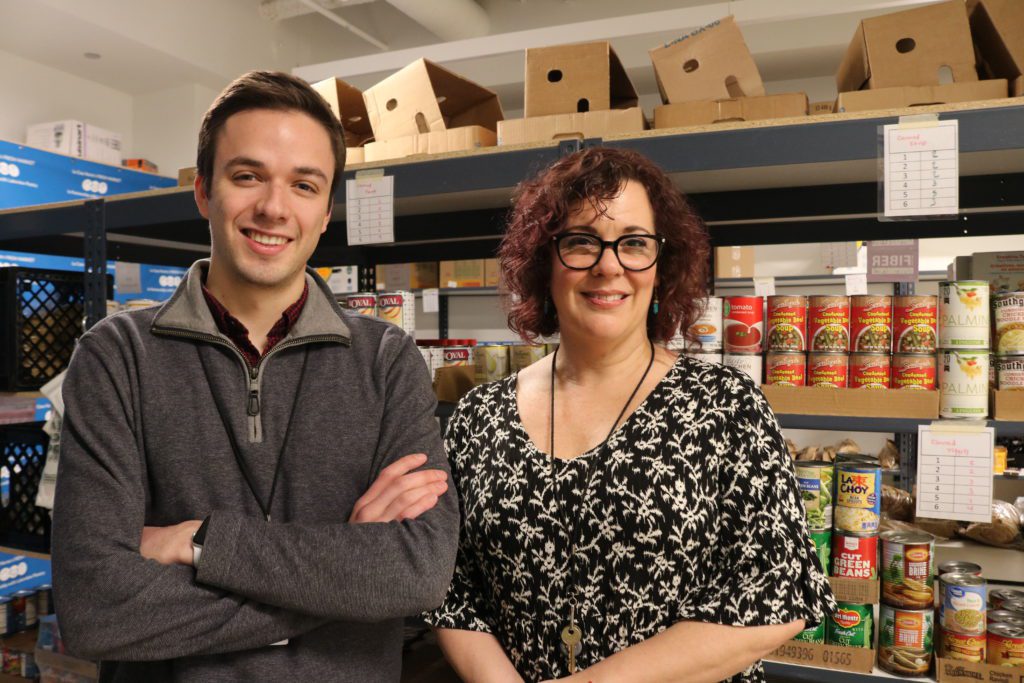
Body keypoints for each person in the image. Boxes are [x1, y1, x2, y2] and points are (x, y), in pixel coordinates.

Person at [51, 71, 459, 682]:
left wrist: (200, 543)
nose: (273, 207)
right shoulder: (117, 357)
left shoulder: (386, 359)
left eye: (303, 184)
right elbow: (95, 610)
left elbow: (416, 573)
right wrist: (340, 578)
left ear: (325, 213)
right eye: (248, 176)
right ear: (203, 193)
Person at [425, 147, 835, 682]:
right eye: (580, 241)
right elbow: (453, 590)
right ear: (543, 264)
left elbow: (777, 594)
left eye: (635, 244)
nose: (609, 264)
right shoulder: (480, 417)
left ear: (662, 268)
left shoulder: (725, 405)